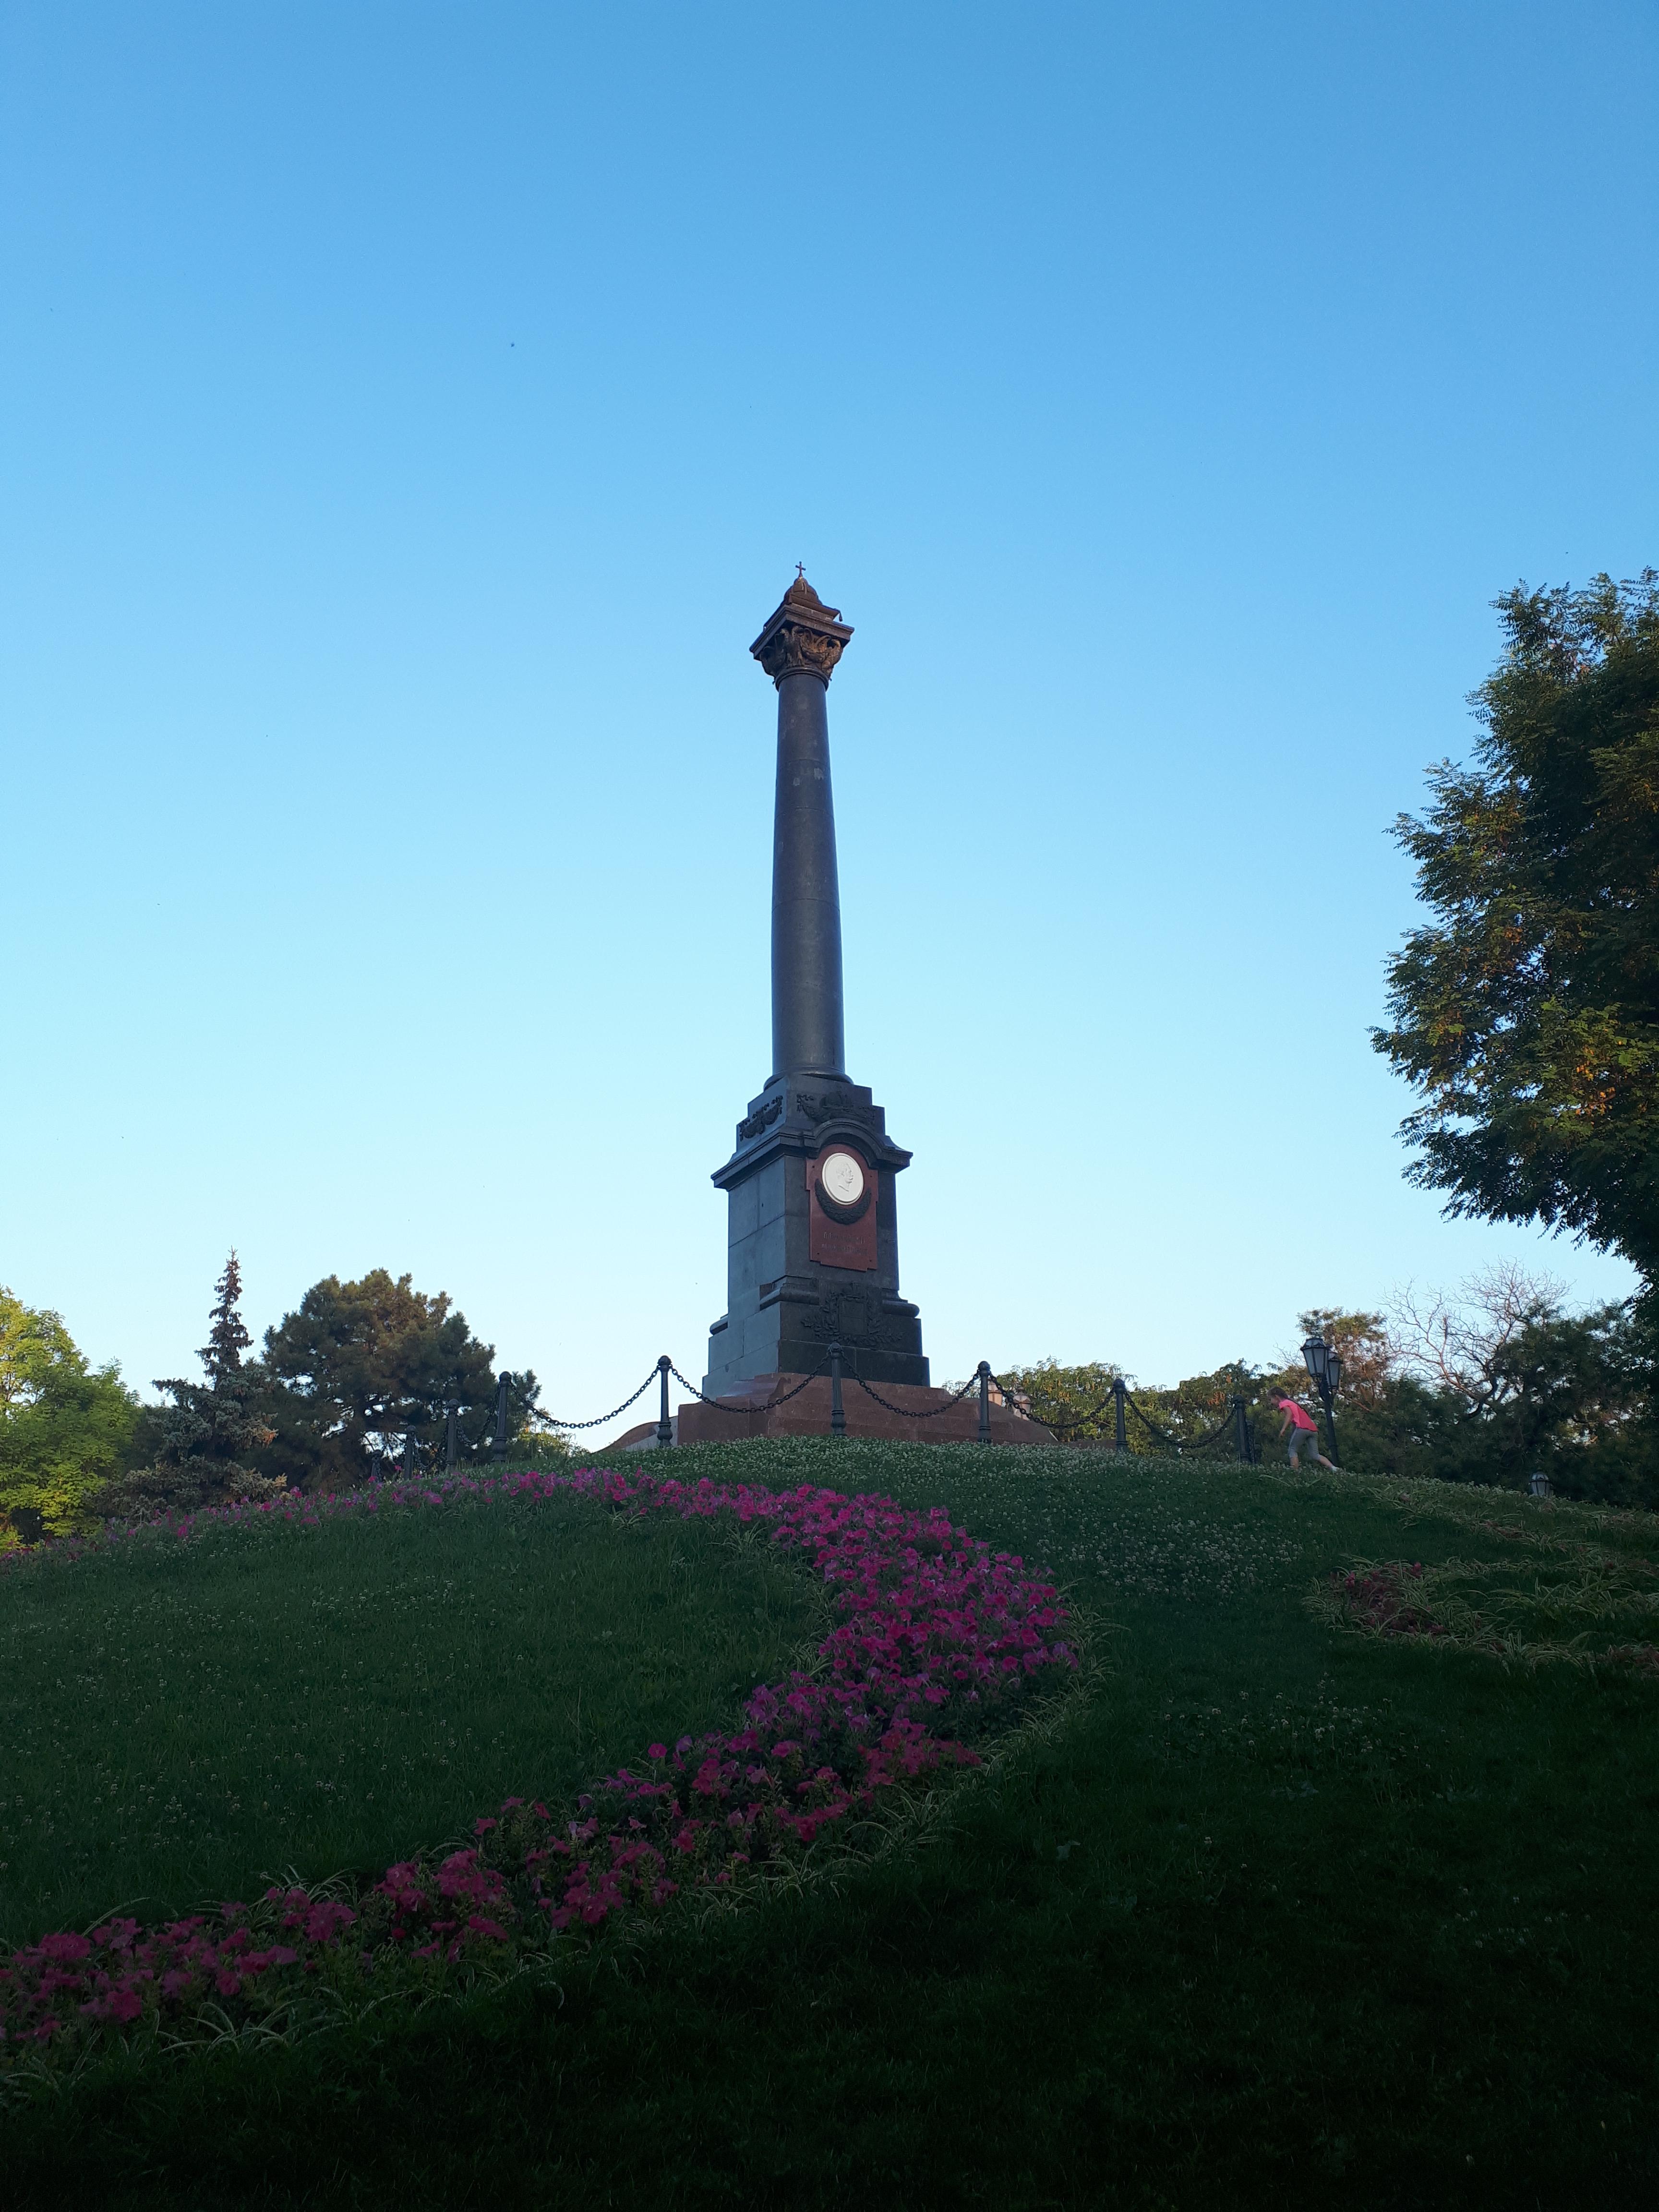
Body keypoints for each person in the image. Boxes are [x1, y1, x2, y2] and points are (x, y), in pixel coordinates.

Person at [1275, 1393, 1336, 1471]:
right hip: (1313, 1430)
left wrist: (1283, 1429)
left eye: (1270, 1399)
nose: (1271, 1402)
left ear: (1276, 1397)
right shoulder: (1294, 1404)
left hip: (1302, 1428)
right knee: (1315, 1454)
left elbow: (1289, 1415)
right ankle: (1334, 1469)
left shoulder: (1283, 1403)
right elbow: (1295, 1421)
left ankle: (1295, 1474)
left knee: (1292, 1450)